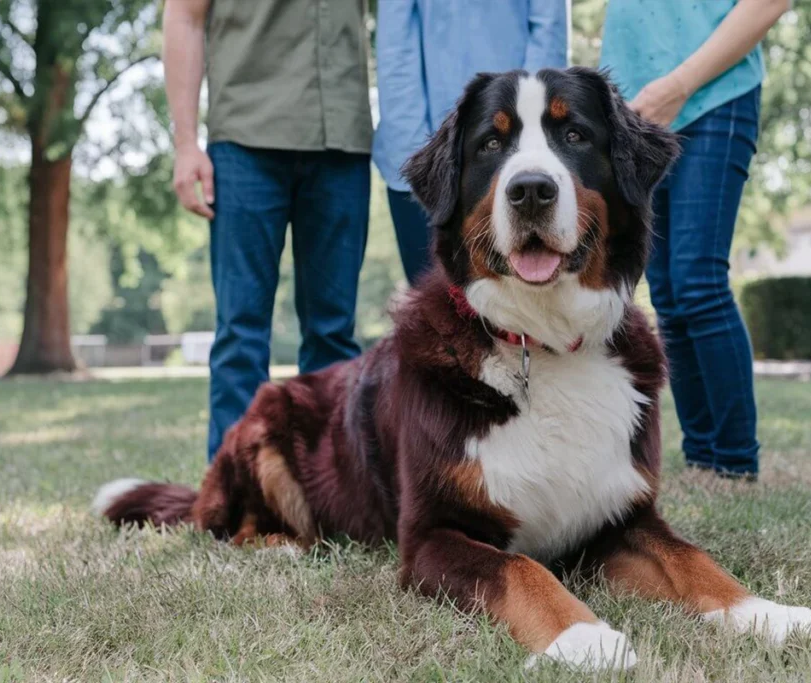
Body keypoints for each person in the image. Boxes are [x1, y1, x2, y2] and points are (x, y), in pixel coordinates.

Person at [162, 0, 373, 461]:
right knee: (241, 331)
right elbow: (183, 15)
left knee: (334, 332)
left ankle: (330, 488)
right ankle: (234, 495)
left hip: (343, 141)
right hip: (245, 139)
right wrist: (184, 144)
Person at [600, 0, 791, 478]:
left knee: (698, 282)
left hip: (713, 96)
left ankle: (734, 460)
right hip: (638, 112)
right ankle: (704, 456)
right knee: (666, 292)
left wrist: (679, 84)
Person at [373, 0, 569, 285]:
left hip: (524, 157)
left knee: (533, 304)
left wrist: (527, 137)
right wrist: (424, 160)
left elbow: (548, 30)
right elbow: (396, 48)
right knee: (434, 306)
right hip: (424, 152)